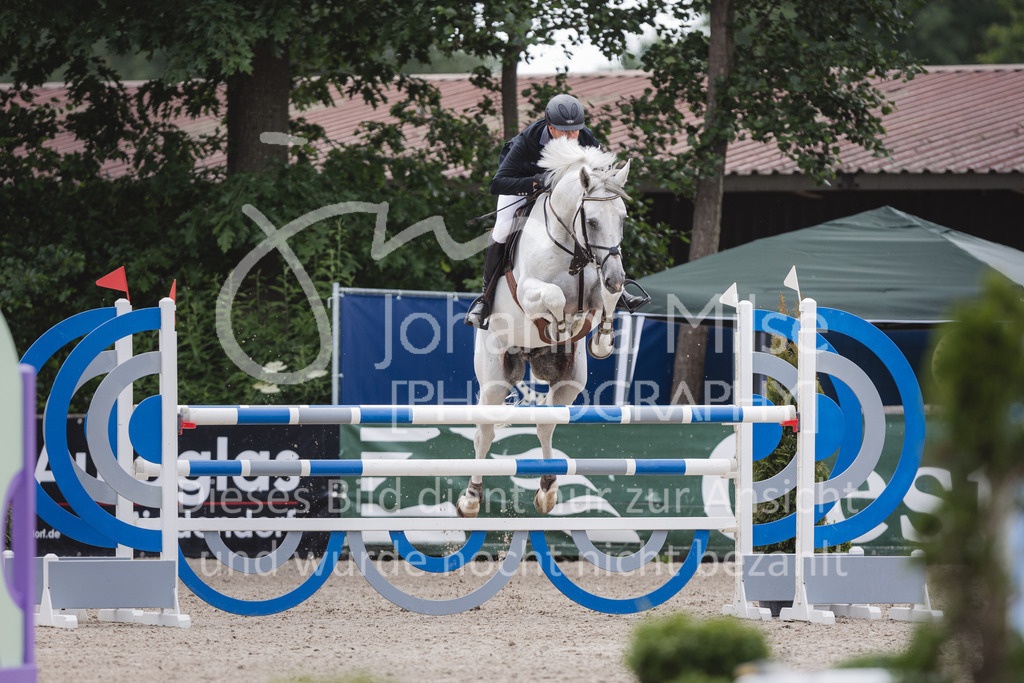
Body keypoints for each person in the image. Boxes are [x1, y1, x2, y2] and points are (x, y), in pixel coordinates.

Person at [464, 93, 650, 329]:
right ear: (550, 129)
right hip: (523, 184)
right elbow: (497, 184)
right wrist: (537, 181)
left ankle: (616, 290)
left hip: (567, 192)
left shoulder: (584, 136)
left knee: (598, 220)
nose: (572, 137)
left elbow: (601, 177)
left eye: (575, 131)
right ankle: (485, 300)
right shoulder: (526, 142)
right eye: (565, 131)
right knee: (502, 229)